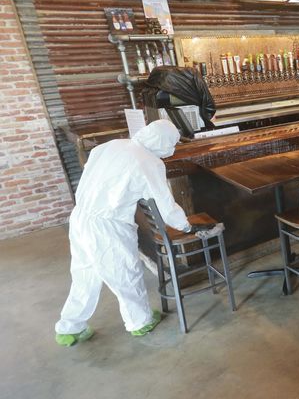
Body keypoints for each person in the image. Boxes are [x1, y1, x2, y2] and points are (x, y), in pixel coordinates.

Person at [55, 120, 213, 346]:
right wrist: (186, 226)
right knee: (125, 274)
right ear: (164, 142)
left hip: (81, 217)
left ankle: (69, 327)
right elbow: (164, 204)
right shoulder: (148, 162)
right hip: (109, 225)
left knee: (83, 273)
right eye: (173, 143)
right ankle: (140, 323)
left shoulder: (110, 146)